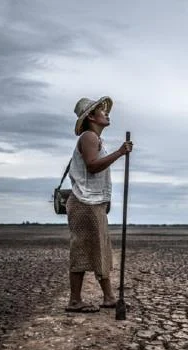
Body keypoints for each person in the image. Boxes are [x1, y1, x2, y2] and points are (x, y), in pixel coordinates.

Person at [65, 96, 132, 313]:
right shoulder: (88, 137)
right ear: (91, 117)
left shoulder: (95, 139)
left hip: (93, 201)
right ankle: (75, 300)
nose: (107, 113)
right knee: (83, 249)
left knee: (99, 248)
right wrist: (120, 153)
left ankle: (109, 297)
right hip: (85, 202)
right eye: (102, 111)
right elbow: (92, 166)